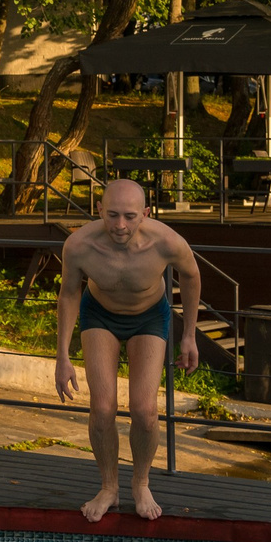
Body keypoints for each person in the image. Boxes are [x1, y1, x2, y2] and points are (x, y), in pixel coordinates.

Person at [53, 178, 201, 523]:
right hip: (99, 314)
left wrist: (190, 335)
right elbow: (69, 294)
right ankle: (108, 487)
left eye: (130, 217)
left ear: (145, 214)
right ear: (100, 210)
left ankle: (141, 482)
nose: (120, 226)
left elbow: (191, 277)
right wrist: (62, 355)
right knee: (102, 408)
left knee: (145, 410)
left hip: (149, 317)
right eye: (113, 215)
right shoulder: (79, 245)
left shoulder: (166, 242)